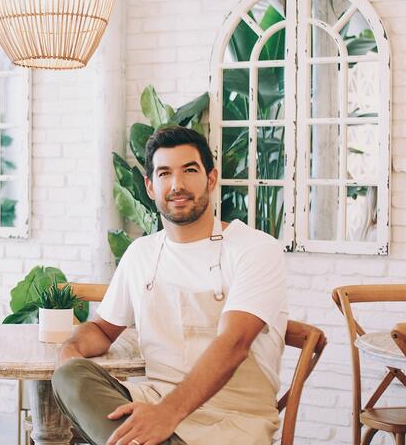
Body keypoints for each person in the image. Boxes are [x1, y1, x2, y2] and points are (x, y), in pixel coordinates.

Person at [52, 126, 288, 445]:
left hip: (232, 420)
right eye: (164, 173)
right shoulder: (142, 253)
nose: (177, 185)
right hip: (152, 401)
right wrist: (71, 349)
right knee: (70, 376)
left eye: (189, 170)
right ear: (150, 186)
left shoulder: (255, 248)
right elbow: (103, 330)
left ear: (211, 178)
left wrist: (167, 415)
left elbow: (233, 344)